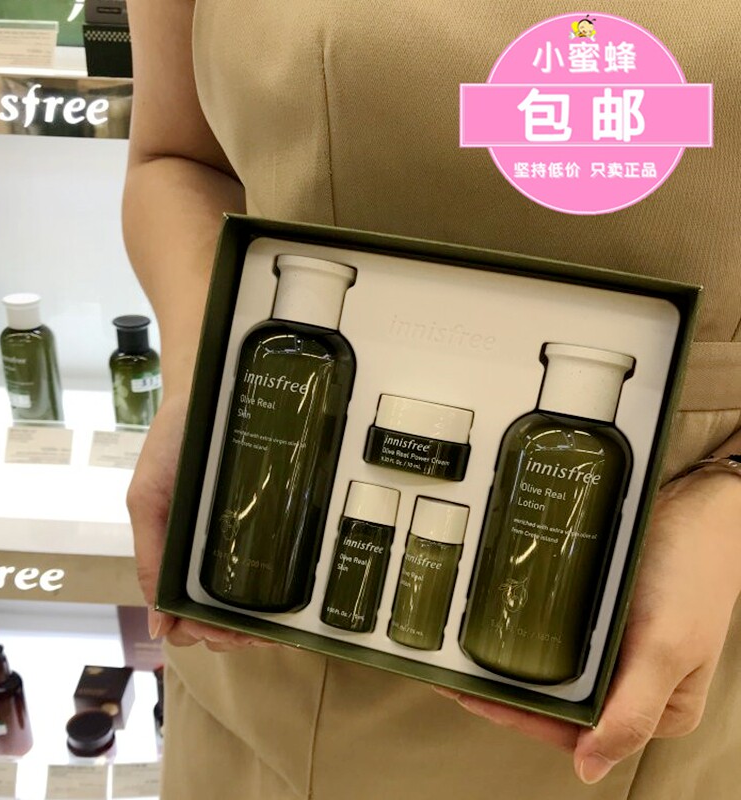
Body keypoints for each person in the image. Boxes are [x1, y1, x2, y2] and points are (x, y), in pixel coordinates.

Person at [121, 2, 741, 798]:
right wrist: (207, 382)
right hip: (273, 607)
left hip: (678, 600)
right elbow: (177, 158)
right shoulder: (304, 362)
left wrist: (729, 499)